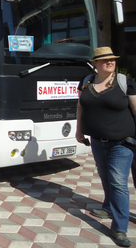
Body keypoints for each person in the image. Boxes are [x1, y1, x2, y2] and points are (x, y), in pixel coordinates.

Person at [76, 47, 136, 247]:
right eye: (104, 60)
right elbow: (81, 106)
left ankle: (119, 228)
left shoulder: (124, 82)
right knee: (105, 175)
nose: (109, 62)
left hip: (122, 142)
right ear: (95, 64)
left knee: (118, 182)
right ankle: (109, 206)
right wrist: (79, 130)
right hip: (97, 141)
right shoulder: (86, 82)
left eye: (112, 59)